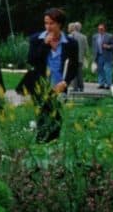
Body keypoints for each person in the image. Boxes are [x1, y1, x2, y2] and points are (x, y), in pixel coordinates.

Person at [19, 8, 79, 142]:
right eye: (46, 23)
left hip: (59, 85)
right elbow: (32, 60)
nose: (48, 27)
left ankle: (53, 144)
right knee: (42, 116)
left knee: (57, 117)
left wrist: (66, 82)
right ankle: (41, 144)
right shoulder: (36, 39)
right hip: (40, 85)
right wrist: (45, 45)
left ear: (60, 24)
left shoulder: (71, 43)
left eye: (52, 23)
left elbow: (74, 67)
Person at [92, 22, 113, 89]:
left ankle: (108, 84)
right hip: (99, 55)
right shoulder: (95, 36)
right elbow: (94, 47)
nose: (100, 30)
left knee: (107, 70)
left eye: (101, 28)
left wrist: (108, 46)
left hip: (107, 55)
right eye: (99, 29)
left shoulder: (110, 36)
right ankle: (101, 84)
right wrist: (94, 56)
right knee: (100, 70)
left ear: (104, 29)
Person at [68, 22, 88, 91]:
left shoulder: (70, 36)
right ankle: (81, 87)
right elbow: (86, 49)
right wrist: (85, 56)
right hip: (80, 58)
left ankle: (75, 88)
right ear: (80, 28)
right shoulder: (84, 37)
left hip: (72, 58)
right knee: (80, 73)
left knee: (74, 73)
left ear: (74, 28)